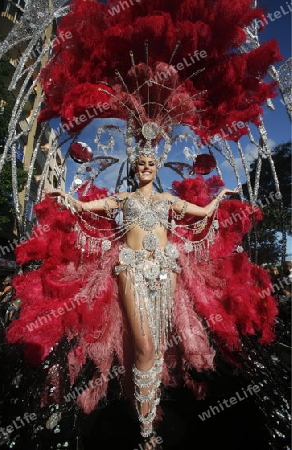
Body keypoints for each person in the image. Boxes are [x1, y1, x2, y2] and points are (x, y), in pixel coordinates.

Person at [46, 151, 238, 447]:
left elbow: (203, 212)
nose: (146, 167)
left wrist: (221, 195)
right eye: (141, 163)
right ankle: (144, 425)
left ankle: (147, 418)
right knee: (144, 345)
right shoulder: (124, 198)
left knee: (157, 348)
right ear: (135, 168)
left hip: (165, 271)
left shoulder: (167, 201)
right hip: (131, 269)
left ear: (157, 166)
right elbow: (83, 207)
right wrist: (62, 194)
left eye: (151, 163)